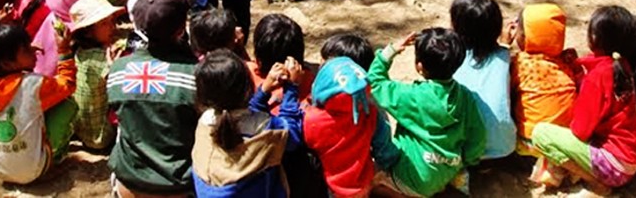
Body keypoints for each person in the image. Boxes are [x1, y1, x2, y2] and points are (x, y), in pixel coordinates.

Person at [531, 6, 636, 193]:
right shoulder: (621, 65)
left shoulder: (598, 77)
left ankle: (595, 181)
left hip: (614, 166)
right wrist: (579, 70)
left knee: (541, 133)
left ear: (593, 38)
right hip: (630, 158)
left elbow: (580, 131)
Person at [107, 0, 198, 198]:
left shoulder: (118, 70)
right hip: (179, 187)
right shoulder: (194, 75)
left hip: (130, 184)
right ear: (180, 30)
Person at [369, 28, 485, 197]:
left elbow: (375, 82)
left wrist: (390, 51)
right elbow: (477, 136)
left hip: (411, 176)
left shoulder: (412, 96)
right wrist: (469, 160)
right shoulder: (466, 96)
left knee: (375, 183)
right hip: (448, 171)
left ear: (420, 66)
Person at [192, 49, 303, 197]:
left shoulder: (206, 121)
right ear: (247, 86)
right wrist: (291, 89)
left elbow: (239, 116)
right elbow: (292, 136)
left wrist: (263, 92)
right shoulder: (267, 128)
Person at [0, 24, 77, 184]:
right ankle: (57, 154)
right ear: (7, 64)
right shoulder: (34, 84)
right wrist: (64, 51)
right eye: (27, 50)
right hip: (33, 170)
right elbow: (67, 84)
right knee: (67, 104)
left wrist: (25, 54)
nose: (34, 51)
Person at [304, 55, 395, 197]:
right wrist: (389, 162)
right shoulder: (369, 112)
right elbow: (384, 147)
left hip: (331, 187)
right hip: (363, 183)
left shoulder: (312, 120)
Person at [451, 0, 516, 159]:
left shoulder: (450, 59)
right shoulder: (506, 57)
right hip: (503, 146)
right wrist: (506, 45)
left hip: (461, 149)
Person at [507, 3, 578, 153]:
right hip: (564, 142)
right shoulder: (567, 63)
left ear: (525, 37)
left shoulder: (519, 64)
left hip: (530, 142)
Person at [69, 0, 123, 151]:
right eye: (105, 23)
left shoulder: (78, 51)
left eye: (112, 21)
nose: (112, 27)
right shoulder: (101, 59)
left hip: (79, 129)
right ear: (87, 32)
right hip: (101, 136)